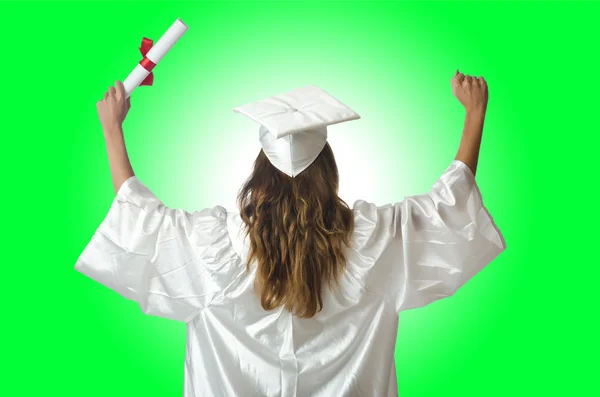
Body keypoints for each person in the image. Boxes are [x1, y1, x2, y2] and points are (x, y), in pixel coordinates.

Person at [76, 72, 506, 397]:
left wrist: (113, 129)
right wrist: (475, 114)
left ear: (260, 172)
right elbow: (447, 210)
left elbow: (141, 222)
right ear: (329, 171)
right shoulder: (371, 243)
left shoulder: (213, 249)